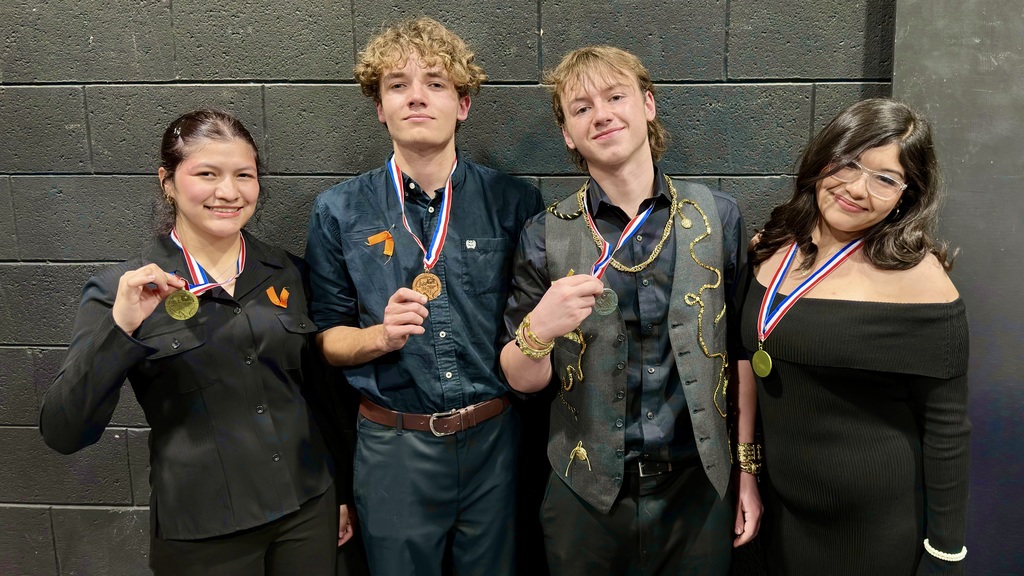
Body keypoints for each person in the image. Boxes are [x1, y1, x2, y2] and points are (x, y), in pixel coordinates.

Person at [40, 110, 354, 575]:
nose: (228, 192)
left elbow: (321, 394)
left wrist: (341, 491)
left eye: (243, 175)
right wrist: (120, 329)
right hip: (204, 531)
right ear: (167, 182)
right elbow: (64, 431)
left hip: (307, 509)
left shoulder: (287, 272)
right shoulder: (120, 291)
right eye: (207, 174)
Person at [500, 45, 761, 576]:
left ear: (647, 105)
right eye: (580, 108)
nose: (601, 114)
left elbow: (740, 354)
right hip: (585, 495)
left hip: (698, 487)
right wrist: (539, 330)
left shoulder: (718, 216)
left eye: (615, 96)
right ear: (569, 135)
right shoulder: (544, 232)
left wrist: (747, 470)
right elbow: (521, 380)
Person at [304, 16, 543, 576]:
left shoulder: (514, 201)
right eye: (397, 85)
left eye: (435, 83)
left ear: (462, 104)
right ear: (379, 107)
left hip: (495, 441)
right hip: (394, 447)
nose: (416, 97)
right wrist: (378, 337)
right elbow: (327, 341)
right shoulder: (338, 211)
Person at [741, 98, 970, 574]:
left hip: (873, 532)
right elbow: (746, 356)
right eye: (847, 163)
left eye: (885, 178)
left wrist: (945, 557)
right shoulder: (772, 247)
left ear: (907, 195)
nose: (856, 189)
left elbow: (947, 429)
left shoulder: (923, 282)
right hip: (781, 516)